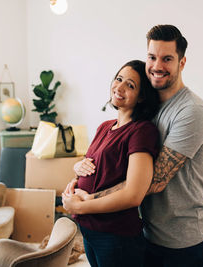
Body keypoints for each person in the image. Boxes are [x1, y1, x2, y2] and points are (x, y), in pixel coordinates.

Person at [66, 25, 203, 267]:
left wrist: (86, 201)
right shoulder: (148, 112)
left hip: (181, 239)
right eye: (152, 57)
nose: (157, 66)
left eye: (167, 59)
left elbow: (152, 181)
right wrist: (79, 172)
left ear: (182, 62)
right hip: (148, 231)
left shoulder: (191, 111)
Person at [62, 59, 160, 267]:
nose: (120, 87)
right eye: (119, 79)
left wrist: (81, 207)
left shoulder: (141, 131)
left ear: (142, 96)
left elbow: (133, 195)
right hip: (89, 230)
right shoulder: (104, 127)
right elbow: (93, 170)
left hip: (116, 235)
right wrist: (75, 180)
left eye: (130, 85)